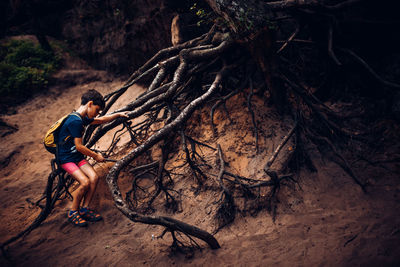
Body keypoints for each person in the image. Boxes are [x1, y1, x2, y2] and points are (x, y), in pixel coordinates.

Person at [58, 89, 128, 227]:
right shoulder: (75, 121)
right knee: (84, 182)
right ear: (90, 104)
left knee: (94, 178)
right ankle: (73, 212)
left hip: (76, 157)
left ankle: (85, 209)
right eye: (97, 109)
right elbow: (79, 146)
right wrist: (96, 156)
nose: (97, 113)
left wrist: (118, 114)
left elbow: (100, 120)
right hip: (66, 158)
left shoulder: (81, 118)